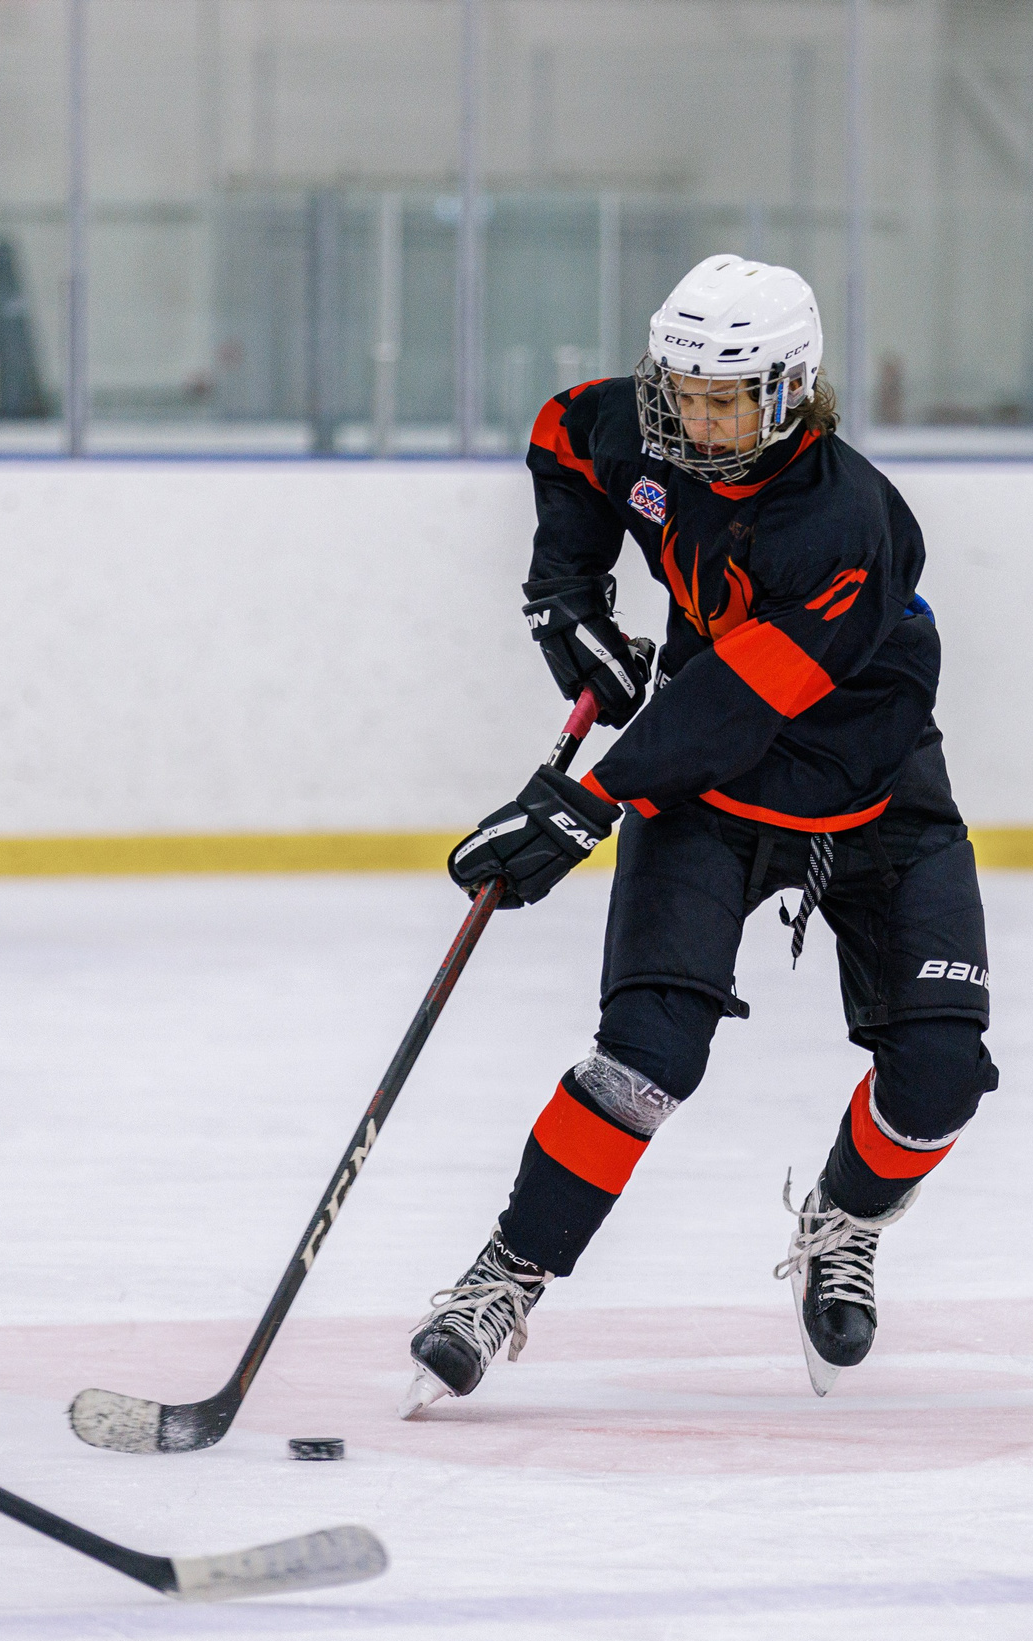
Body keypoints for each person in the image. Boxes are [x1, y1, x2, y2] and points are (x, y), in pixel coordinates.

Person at [404, 255, 1000, 1414]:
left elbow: (735, 703)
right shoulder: (649, 432)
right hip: (708, 803)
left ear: (790, 392)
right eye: (680, 394)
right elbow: (562, 433)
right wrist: (564, 593)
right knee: (642, 1060)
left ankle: (844, 1220)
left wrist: (584, 803)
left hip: (874, 793)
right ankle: (505, 1273)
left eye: (725, 400)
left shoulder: (847, 524)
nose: (696, 422)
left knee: (939, 1075)